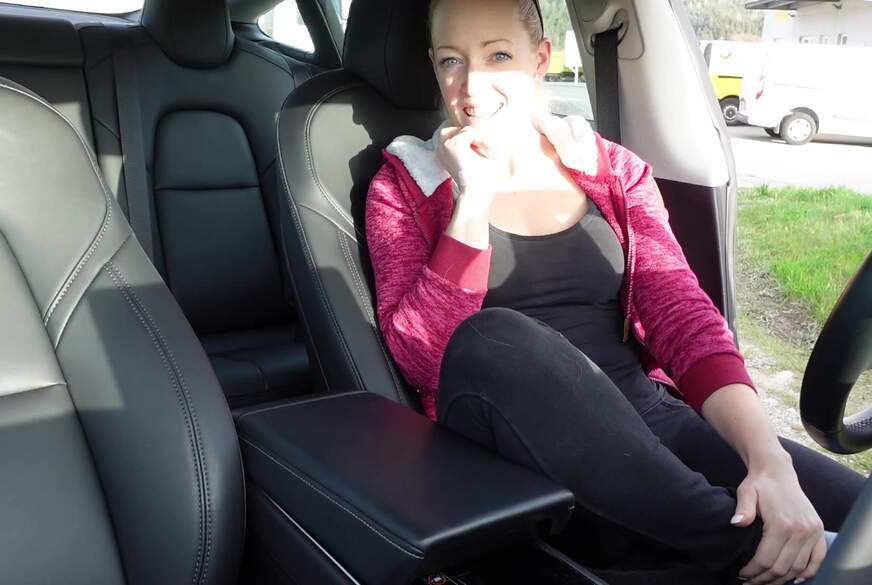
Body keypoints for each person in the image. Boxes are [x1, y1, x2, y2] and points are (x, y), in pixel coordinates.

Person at [365, 0, 865, 582]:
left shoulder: (612, 170)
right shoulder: (402, 186)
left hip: (648, 421)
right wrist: (471, 199)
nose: (471, 87)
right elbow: (424, 357)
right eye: (452, 61)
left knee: (860, 521)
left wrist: (767, 460)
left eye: (498, 56)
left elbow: (682, 315)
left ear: (539, 59)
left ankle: (773, 548)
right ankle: (743, 548)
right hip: (519, 456)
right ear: (432, 64)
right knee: (494, 338)